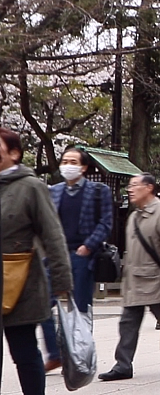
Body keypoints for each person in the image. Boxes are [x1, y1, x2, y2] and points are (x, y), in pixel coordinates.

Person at [0, 128, 73, 395]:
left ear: (14, 153)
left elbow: (52, 235)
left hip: (22, 285)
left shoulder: (31, 187)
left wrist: (62, 281)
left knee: (24, 353)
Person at [99, 172, 160, 381]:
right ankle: (123, 365)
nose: (129, 189)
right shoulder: (133, 217)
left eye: (134, 185)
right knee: (127, 323)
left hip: (157, 281)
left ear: (149, 187)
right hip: (135, 281)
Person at [48, 146, 113, 313]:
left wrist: (87, 247)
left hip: (83, 255)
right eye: (64, 162)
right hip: (57, 255)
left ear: (83, 167)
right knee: (44, 300)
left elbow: (105, 222)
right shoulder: (53, 191)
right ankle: (54, 338)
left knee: (80, 305)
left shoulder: (98, 191)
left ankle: (81, 338)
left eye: (73, 162)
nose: (68, 165)